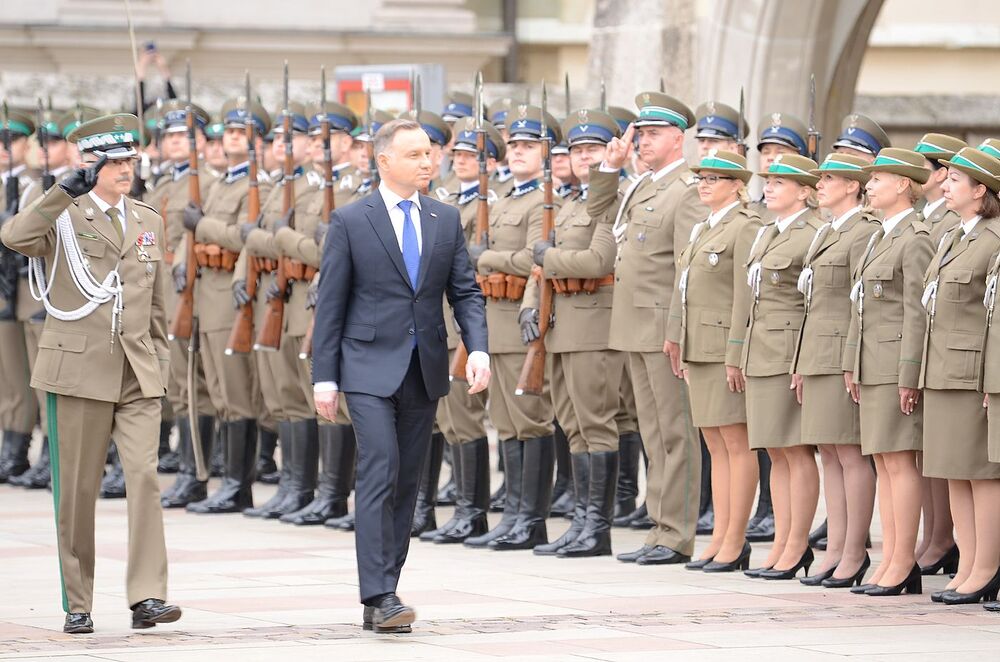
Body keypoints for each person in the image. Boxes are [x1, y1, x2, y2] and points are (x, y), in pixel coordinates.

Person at [1, 113, 182, 634]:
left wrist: (160, 365)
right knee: (78, 491)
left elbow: (156, 304)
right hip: (78, 369)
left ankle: (147, 595)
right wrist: (61, 191)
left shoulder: (147, 219)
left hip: (136, 371)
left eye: (130, 160)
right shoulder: (63, 213)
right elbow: (14, 236)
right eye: (113, 161)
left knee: (144, 479)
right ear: (89, 165)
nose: (125, 170)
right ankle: (78, 600)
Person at [311, 118, 489, 633]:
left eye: (429, 154)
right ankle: (381, 593)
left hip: (423, 367)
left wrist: (477, 348)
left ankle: (384, 591)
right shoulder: (351, 220)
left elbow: (465, 291)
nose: (427, 162)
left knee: (408, 480)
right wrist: (325, 378)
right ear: (383, 160)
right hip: (366, 367)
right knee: (380, 467)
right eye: (414, 154)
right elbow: (331, 304)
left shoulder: (443, 218)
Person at [589, 92, 707, 566]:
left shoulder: (686, 190)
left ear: (679, 138)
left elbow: (687, 269)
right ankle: (660, 526)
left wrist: (678, 330)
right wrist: (609, 167)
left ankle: (676, 534)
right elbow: (600, 214)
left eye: (654, 134)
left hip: (662, 329)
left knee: (675, 432)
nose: (642, 142)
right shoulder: (643, 185)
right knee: (653, 433)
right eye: (640, 134)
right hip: (634, 325)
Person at [526, 108, 623, 558]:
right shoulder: (568, 202)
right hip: (561, 325)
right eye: (577, 149)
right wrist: (532, 304)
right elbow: (541, 268)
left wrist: (548, 258)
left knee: (596, 426)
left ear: (611, 152)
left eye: (593, 149)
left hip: (593, 326)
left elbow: (599, 261)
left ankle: (597, 529)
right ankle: (582, 522)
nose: (584, 156)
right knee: (572, 427)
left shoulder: (611, 200)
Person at [465, 104, 562, 551]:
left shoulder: (545, 201)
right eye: (515, 144)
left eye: (529, 145)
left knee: (530, 421)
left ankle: (532, 520)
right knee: (505, 422)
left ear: (546, 153)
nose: (519, 151)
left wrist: (486, 258)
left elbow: (532, 259)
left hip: (522, 319)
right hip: (494, 320)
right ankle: (514, 516)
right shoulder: (504, 198)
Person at [845, 147, 934, 596]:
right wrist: (852, 362)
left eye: (877, 178)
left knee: (899, 463)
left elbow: (917, 312)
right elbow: (860, 306)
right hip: (871, 362)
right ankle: (890, 559)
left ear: (902, 184)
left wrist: (909, 373)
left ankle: (903, 561)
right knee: (883, 461)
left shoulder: (915, 238)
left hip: (894, 362)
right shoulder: (881, 235)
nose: (869, 185)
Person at [668, 150, 762, 572]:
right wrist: (677, 336)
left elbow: (745, 295)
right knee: (714, 444)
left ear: (737, 184)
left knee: (736, 443)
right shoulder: (703, 226)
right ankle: (721, 535)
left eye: (714, 178)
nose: (704, 184)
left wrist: (736, 351)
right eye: (701, 178)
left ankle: (735, 539)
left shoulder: (745, 225)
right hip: (699, 345)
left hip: (724, 346)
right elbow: (684, 285)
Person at [181, 96, 274, 514]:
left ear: (258, 142)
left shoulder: (260, 187)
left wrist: (203, 225)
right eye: (229, 131)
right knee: (218, 391)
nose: (232, 138)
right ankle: (228, 481)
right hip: (207, 294)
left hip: (230, 298)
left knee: (236, 393)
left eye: (241, 132)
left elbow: (242, 237)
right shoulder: (220, 182)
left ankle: (239, 485)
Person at [793, 153, 879, 588]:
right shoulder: (828, 230)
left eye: (830, 178)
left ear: (853, 186)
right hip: (816, 353)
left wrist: (851, 360)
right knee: (829, 452)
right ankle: (835, 548)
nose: (821, 185)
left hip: (841, 353)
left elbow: (859, 305)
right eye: (820, 178)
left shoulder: (863, 231)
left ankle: (854, 551)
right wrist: (800, 361)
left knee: (849, 451)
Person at [920, 147, 1000, 605]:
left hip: (972, 371)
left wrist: (992, 379)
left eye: (955, 180)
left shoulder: (993, 238)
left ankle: (986, 567)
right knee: (954, 469)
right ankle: (968, 563)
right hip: (943, 367)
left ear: (980, 189)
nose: (945, 185)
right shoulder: (954, 234)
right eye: (945, 178)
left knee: (981, 474)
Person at [417, 116, 502, 545]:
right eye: (461, 154)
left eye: (474, 155)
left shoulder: (496, 203)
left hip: (470, 321)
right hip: (440, 322)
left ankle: (474, 512)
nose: (463, 161)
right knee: (447, 419)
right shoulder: (445, 200)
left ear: (492, 163)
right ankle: (442, 509)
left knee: (466, 418)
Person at [740, 154, 824, 581]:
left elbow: (813, 304)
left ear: (805, 192)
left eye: (779, 182)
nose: (769, 188)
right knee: (775, 451)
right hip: (762, 349)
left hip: (788, 351)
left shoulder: (812, 233)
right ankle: (781, 542)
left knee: (795, 449)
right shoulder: (769, 231)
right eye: (768, 181)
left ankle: (797, 544)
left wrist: (803, 359)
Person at [148, 99, 219, 509]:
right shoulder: (162, 183)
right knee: (176, 384)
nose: (176, 142)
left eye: (185, 136)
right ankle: (187, 470)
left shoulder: (207, 182)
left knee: (194, 384)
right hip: (159, 288)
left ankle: (197, 474)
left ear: (201, 142)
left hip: (188, 288)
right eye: (170, 136)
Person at [911, 132, 966, 575]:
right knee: (928, 453)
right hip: (929, 350)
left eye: (923, 168)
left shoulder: (951, 221)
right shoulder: (925, 217)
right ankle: (935, 535)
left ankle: (945, 538)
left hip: (951, 353)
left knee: (948, 457)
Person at [0, 106, 40, 485]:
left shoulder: (33, 186)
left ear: (27, 144)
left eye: (11, 140)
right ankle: (9, 447)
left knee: (23, 374)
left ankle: (18, 451)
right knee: (6, 376)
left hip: (26, 292)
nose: (3, 147)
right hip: (5, 290)